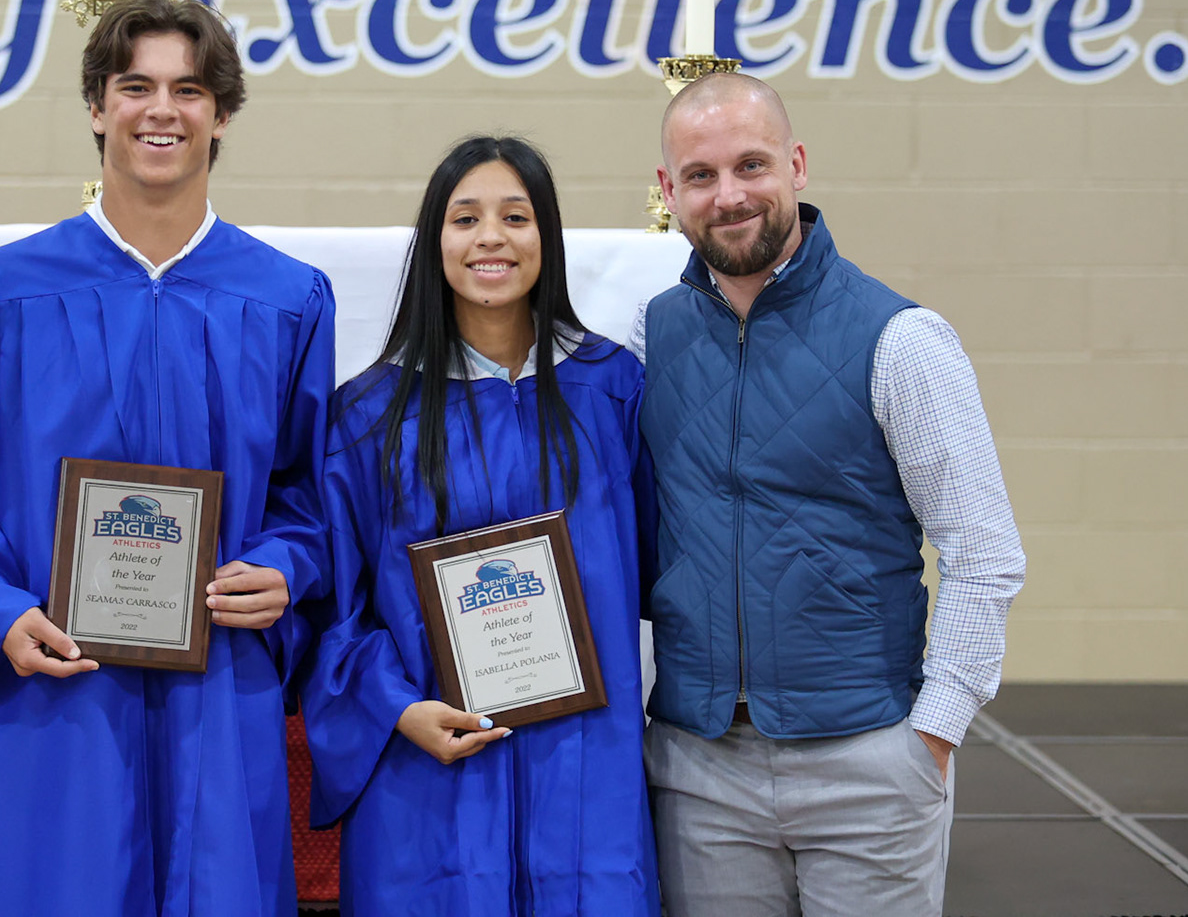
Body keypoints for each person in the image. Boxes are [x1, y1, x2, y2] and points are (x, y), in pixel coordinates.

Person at [0, 0, 336, 916]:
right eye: (135, 87)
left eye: (188, 89)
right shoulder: (2, 291)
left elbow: (308, 492)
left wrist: (286, 568)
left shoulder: (288, 299)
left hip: (217, 677)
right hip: (51, 685)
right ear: (97, 107)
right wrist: (0, 612)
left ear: (221, 116)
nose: (161, 110)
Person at [632, 71, 1026, 916]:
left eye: (751, 165)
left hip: (871, 762)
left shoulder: (902, 340)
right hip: (699, 769)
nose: (729, 195)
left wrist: (933, 735)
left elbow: (982, 549)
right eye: (700, 176)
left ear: (797, 165)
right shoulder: (650, 336)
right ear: (668, 192)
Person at [302, 135, 659, 916]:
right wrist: (397, 707)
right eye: (465, 218)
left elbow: (665, 570)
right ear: (436, 243)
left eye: (516, 217)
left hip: (584, 768)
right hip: (432, 769)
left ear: (547, 239)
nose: (491, 237)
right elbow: (334, 605)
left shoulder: (612, 392)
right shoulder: (368, 417)